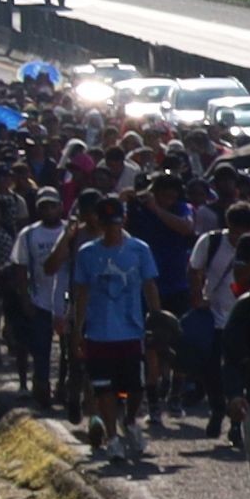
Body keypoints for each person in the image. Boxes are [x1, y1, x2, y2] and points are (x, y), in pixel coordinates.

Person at [59, 192, 157, 470]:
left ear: (123, 220)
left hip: (131, 330)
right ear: (99, 223)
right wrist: (77, 330)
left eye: (117, 223)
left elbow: (150, 286)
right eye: (107, 224)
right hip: (99, 333)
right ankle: (112, 438)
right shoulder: (88, 253)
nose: (113, 229)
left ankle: (129, 421)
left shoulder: (140, 249)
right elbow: (81, 293)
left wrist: (158, 319)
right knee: (104, 388)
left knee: (135, 387)